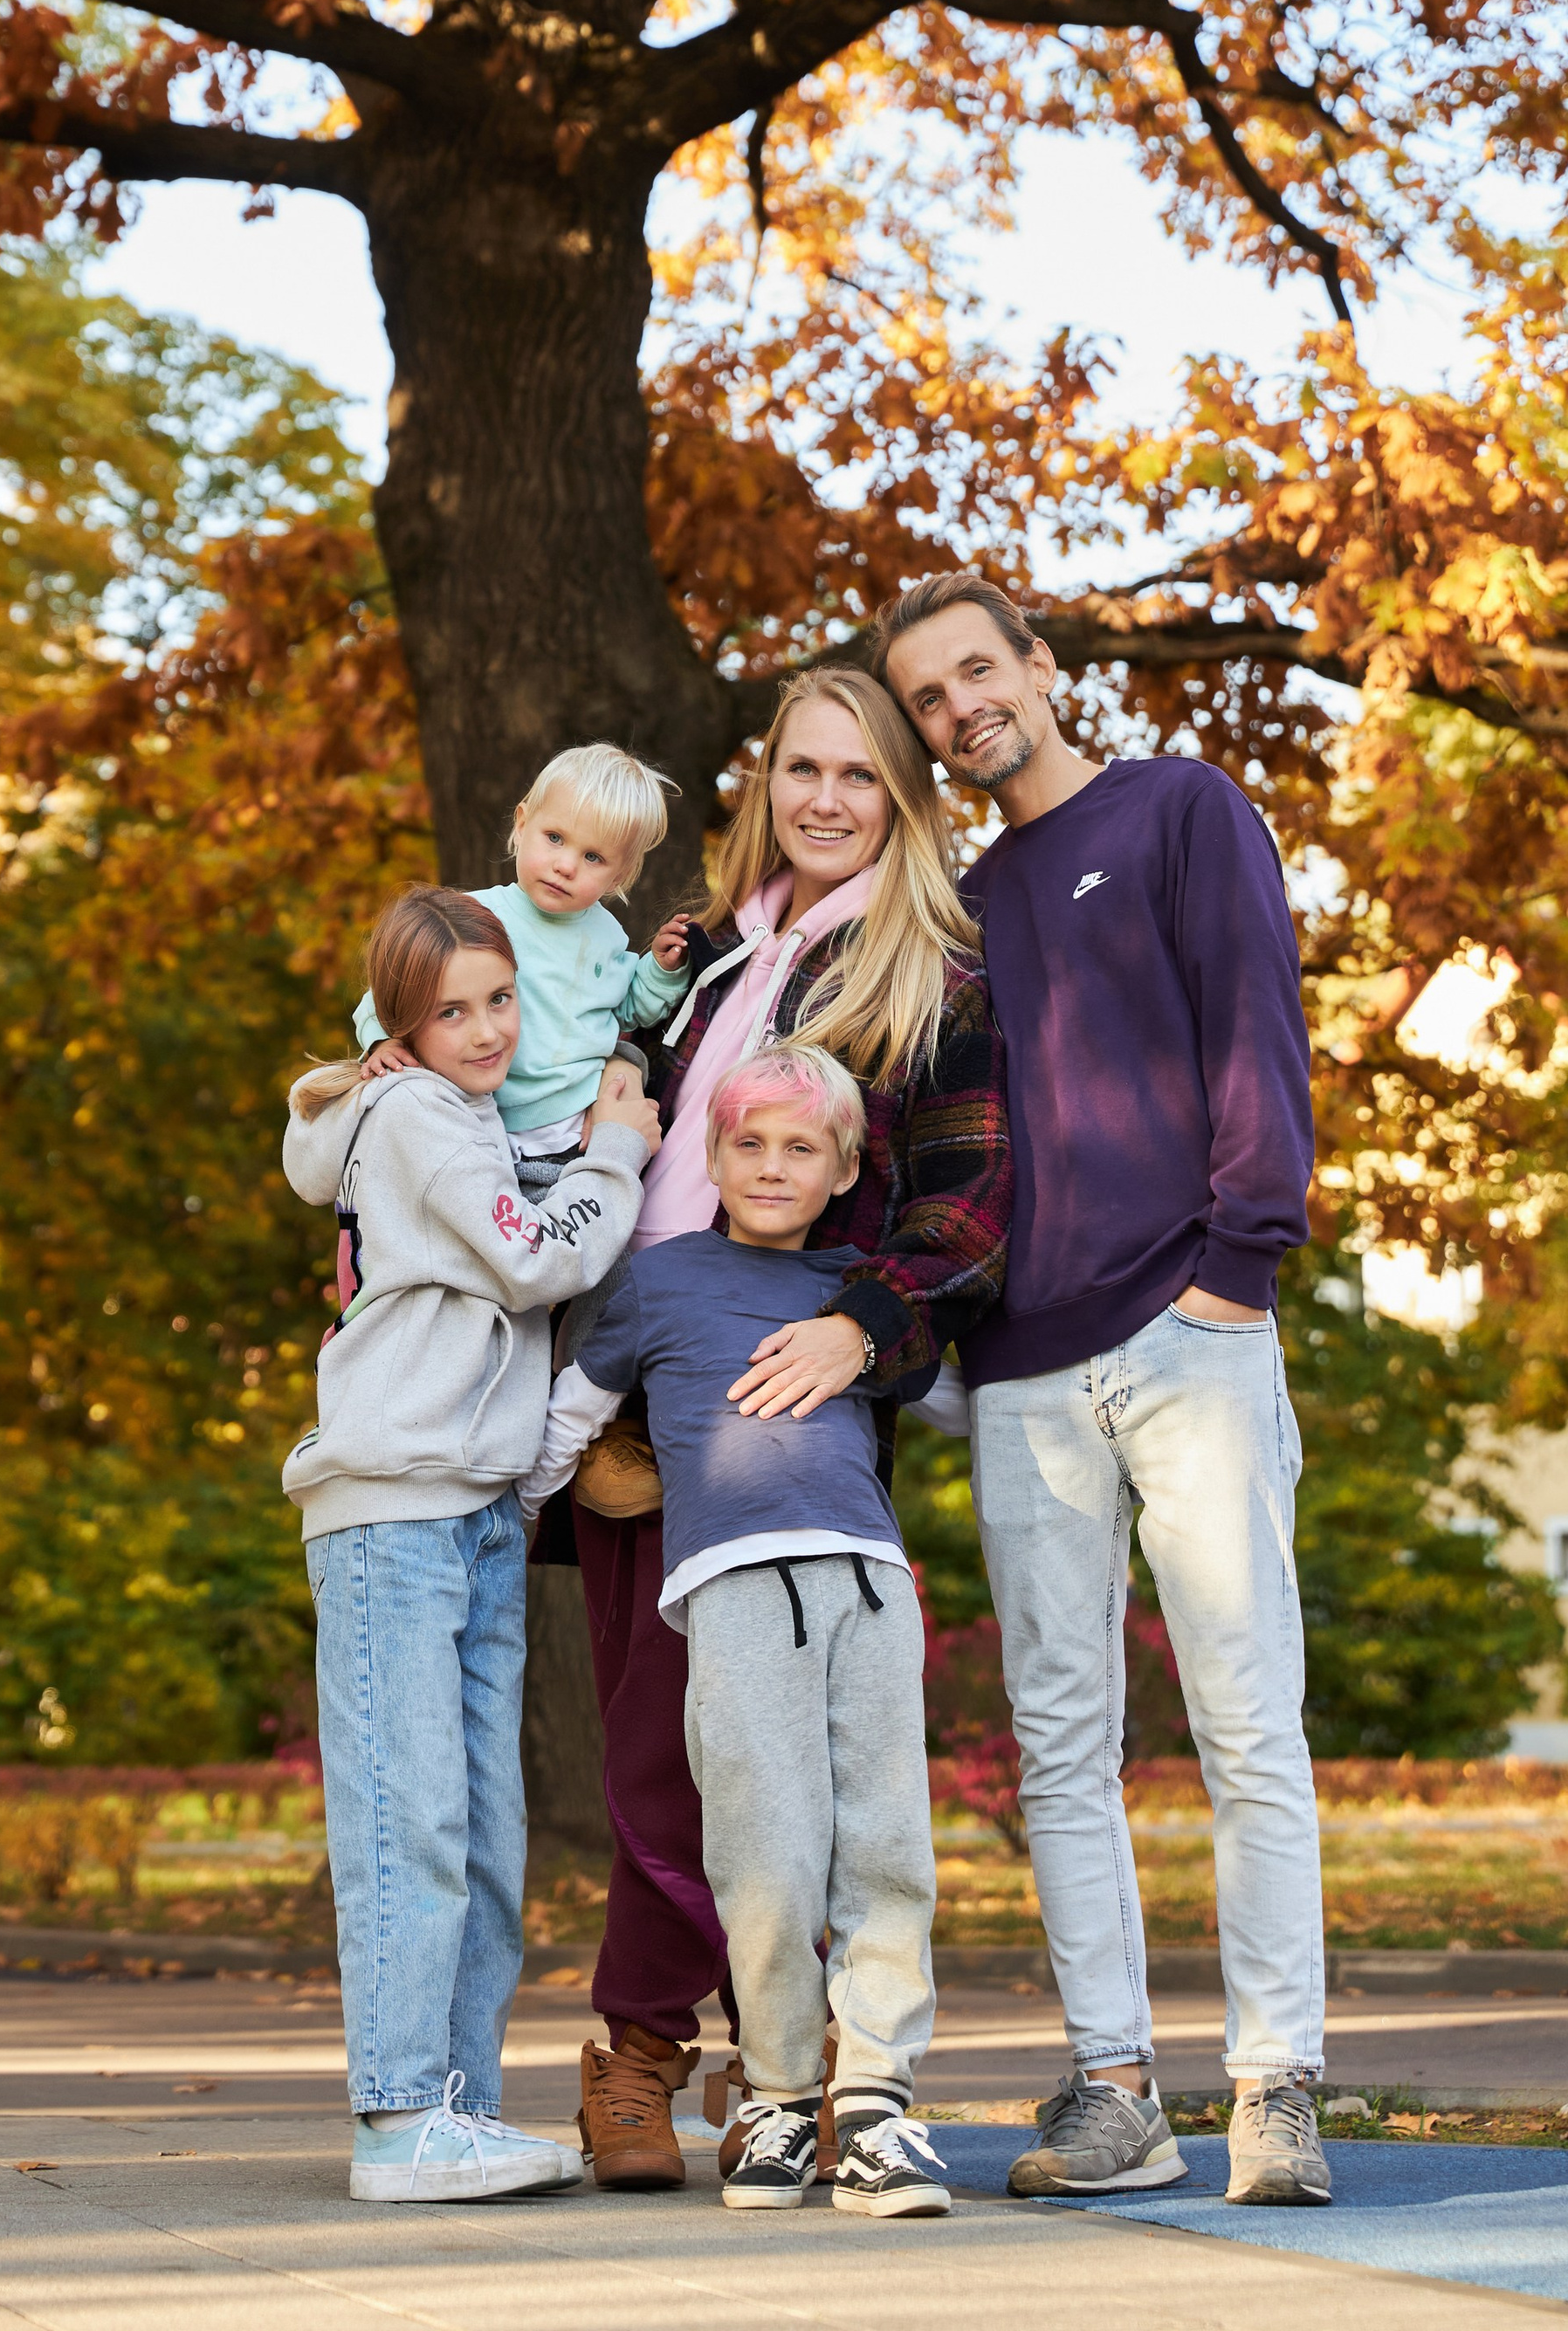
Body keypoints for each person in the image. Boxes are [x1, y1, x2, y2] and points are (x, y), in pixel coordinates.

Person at [876, 568, 1330, 2211]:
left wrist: (1241, 1264)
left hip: (1191, 1329)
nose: (958, 709)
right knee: (1060, 1745)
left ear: (1042, 668)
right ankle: (1119, 2090)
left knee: (1243, 1719)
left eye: (976, 671)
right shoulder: (953, 904)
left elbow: (1255, 1036)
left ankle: (1278, 2083)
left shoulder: (1178, 812)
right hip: (1022, 1376)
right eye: (927, 698)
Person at [546, 665, 1013, 2191]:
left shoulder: (928, 971)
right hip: (645, 1382)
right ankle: (672, 2046)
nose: (823, 799)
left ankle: (705, 2054)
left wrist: (864, 1324)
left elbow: (962, 1198)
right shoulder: (704, 958)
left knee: (776, 1769)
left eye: (860, 776)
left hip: (785, 1404)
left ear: (902, 799)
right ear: (766, 786)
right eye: (801, 769)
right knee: (653, 1747)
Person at [522, 1043, 954, 2220]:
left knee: (885, 1842)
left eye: (801, 1148)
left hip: (869, 1583)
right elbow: (571, 1416)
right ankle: (773, 2093)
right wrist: (502, 1527)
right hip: (730, 1584)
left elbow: (950, 1388)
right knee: (763, 1848)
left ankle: (873, 2099)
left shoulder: (861, 1285)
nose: (772, 1166)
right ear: (709, 1158)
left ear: (842, 1168)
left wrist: (893, 1332)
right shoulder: (659, 1284)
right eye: (748, 1144)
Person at [284, 884, 657, 2204]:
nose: (488, 1029)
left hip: (485, 1507)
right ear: (402, 1025)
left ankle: (457, 2109)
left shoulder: (476, 1114)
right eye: (452, 1011)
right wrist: (617, 1147)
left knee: (488, 1836)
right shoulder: (416, 1119)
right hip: (395, 1508)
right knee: (412, 1821)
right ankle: (397, 2116)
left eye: (501, 999)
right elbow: (533, 1264)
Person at [355, 743, 691, 1200]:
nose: (565, 865)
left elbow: (629, 1008)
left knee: (592, 1256)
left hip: (579, 1132)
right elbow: (396, 986)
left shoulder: (607, 937)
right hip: (484, 1125)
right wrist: (382, 1038)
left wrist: (660, 970)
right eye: (554, 838)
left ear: (620, 876)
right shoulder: (476, 917)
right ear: (521, 824)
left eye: (593, 857)